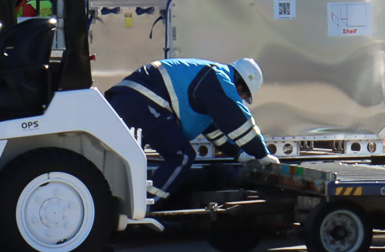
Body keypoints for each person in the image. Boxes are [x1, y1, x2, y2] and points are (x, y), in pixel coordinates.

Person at [105, 57, 267, 197]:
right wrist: (262, 154)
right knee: (182, 156)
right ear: (239, 86)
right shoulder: (218, 77)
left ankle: (121, 205)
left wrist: (239, 153)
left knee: (129, 162)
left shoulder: (208, 81)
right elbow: (238, 120)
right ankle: (146, 206)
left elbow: (215, 132)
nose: (242, 98)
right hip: (142, 100)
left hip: (130, 99)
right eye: (244, 95)